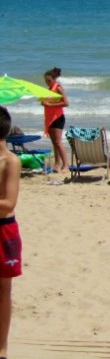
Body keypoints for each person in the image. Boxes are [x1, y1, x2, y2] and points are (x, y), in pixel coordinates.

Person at [0, 106, 23, 359]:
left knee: (3, 291)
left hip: (3, 230)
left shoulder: (11, 161)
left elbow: (8, 203)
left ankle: (2, 348)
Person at [41, 67, 69, 173]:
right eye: (45, 81)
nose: (47, 82)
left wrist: (50, 104)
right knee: (54, 142)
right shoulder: (50, 89)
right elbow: (49, 102)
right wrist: (43, 102)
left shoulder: (58, 88)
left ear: (54, 79)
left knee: (58, 142)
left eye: (49, 80)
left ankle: (66, 165)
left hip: (58, 117)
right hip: (50, 118)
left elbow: (66, 103)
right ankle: (57, 164)